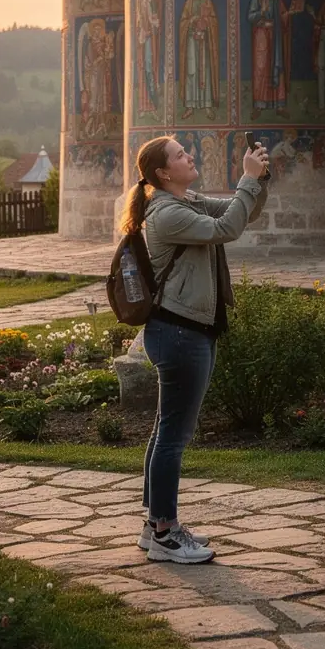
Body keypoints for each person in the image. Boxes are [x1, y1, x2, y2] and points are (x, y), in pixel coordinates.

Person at [119, 135, 269, 563]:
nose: (190, 157)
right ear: (164, 172)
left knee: (166, 431)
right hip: (179, 332)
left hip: (185, 329)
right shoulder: (167, 213)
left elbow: (240, 211)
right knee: (173, 436)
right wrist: (246, 179)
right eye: (181, 155)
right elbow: (228, 229)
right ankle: (166, 532)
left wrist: (259, 179)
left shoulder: (186, 201)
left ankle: (155, 526)